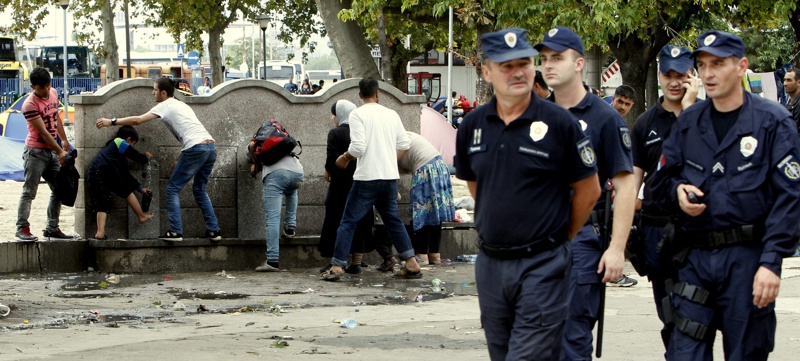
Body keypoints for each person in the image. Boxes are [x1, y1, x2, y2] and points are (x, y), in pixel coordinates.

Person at [650, 30, 800, 361]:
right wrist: (678, 192)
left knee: (746, 352)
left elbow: (789, 198)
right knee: (683, 353)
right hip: (695, 258)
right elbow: (658, 185)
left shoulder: (772, 122)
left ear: (741, 66)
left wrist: (771, 262)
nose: (708, 73)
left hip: (747, 259)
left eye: (718, 64)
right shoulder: (689, 122)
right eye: (702, 65)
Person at [455, 28, 601, 360]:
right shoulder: (472, 126)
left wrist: (559, 236)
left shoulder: (560, 123)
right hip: (491, 265)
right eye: (506, 65)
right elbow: (478, 186)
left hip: (542, 264)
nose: (517, 72)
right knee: (501, 352)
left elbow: (589, 190)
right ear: (486, 71)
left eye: (524, 63)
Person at [535, 26, 638, 359]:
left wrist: (617, 249)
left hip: (578, 240)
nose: (549, 65)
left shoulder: (604, 118)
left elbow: (625, 186)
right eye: (545, 58)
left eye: (558, 58)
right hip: (534, 241)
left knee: (571, 339)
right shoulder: (533, 116)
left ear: (579, 63)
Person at [630, 44, 699, 352]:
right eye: (668, 74)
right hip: (658, 235)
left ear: (692, 76)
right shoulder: (645, 123)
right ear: (659, 76)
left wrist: (690, 108)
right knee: (671, 318)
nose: (674, 82)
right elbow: (632, 184)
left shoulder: (705, 117)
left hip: (698, 233)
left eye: (681, 75)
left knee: (697, 320)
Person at [95, 77, 222, 242]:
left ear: (163, 92)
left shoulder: (166, 104)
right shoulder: (182, 105)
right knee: (199, 189)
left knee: (172, 188)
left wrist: (111, 122)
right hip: (210, 148)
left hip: (195, 148)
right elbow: (192, 134)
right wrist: (179, 160)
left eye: (154, 90)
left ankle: (176, 232)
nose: (152, 93)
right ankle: (214, 230)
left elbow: (138, 120)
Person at [320, 77, 421, 281]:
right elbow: (404, 143)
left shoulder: (358, 114)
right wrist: (389, 161)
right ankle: (411, 262)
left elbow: (358, 146)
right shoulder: (391, 114)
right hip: (389, 178)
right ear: (377, 94)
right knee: (393, 220)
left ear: (360, 95)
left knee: (348, 221)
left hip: (367, 179)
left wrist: (345, 157)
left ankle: (338, 266)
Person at [319, 99, 384, 274]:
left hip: (340, 185)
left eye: (334, 114)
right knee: (362, 221)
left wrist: (328, 171)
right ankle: (356, 262)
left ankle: (336, 261)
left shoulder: (335, 133)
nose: (333, 118)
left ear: (339, 114)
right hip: (362, 182)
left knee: (336, 220)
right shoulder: (363, 131)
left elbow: (332, 159)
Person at [15, 67, 74, 241]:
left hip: (52, 151)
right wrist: (61, 151)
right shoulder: (29, 105)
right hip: (35, 152)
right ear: (33, 87)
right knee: (29, 191)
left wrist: (64, 140)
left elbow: (56, 118)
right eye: (42, 88)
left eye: (48, 86)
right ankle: (22, 227)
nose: (46, 90)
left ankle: (52, 227)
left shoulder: (54, 93)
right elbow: (44, 133)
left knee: (59, 188)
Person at [87, 125, 154, 240]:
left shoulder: (114, 154)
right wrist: (145, 158)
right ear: (128, 139)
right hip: (106, 170)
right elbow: (134, 155)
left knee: (102, 203)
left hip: (95, 172)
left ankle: (100, 233)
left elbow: (125, 174)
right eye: (133, 144)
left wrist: (140, 188)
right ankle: (141, 216)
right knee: (126, 191)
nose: (132, 147)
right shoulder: (118, 141)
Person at [398, 131, 455, 265]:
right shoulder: (407, 135)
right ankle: (434, 255)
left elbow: (393, 169)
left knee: (422, 213)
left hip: (425, 170)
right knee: (435, 213)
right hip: (440, 167)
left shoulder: (394, 141)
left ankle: (421, 255)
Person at [248, 140, 304, 272]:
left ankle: (272, 260)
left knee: (272, 217)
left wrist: (253, 164)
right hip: (298, 172)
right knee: (291, 191)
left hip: (276, 175)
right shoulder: (280, 142)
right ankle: (290, 227)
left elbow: (251, 151)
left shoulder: (257, 143)